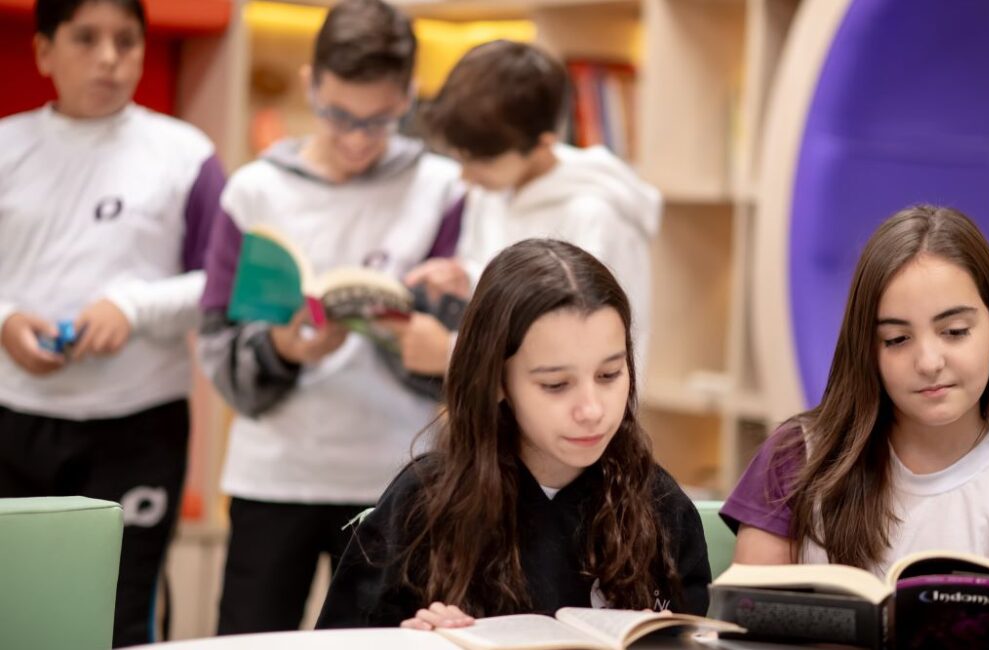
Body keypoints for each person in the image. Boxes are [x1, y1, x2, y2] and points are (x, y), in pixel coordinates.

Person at [196, 0, 462, 634]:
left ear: (409, 95)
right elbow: (215, 347)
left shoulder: (445, 187)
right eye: (338, 114)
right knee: (251, 645)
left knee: (388, 644)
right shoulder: (255, 189)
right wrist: (286, 350)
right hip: (273, 475)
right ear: (310, 82)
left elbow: (469, 351)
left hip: (399, 480)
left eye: (379, 119)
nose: (355, 137)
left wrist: (430, 345)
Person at [720, 205, 989, 641]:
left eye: (955, 331)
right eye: (897, 339)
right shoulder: (798, 455)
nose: (928, 362)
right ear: (869, 350)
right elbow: (745, 629)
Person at [315, 239, 709, 629]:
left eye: (609, 375)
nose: (591, 410)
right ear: (497, 381)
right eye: (556, 384)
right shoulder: (424, 505)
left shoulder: (658, 506)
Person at [0, 0, 224, 645]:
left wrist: (132, 307)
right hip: (16, 419)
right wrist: (7, 319)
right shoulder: (9, 147)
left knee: (124, 614)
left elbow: (223, 283)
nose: (108, 58)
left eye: (126, 41)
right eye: (86, 38)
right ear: (44, 51)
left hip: (139, 424)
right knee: (16, 606)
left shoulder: (184, 154)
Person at [392, 39, 661, 378]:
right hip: (501, 412)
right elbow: (507, 286)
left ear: (543, 143)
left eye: (481, 162)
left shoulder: (596, 213)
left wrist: (451, 352)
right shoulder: (492, 190)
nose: (466, 176)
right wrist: (467, 277)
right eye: (460, 158)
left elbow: (584, 341)